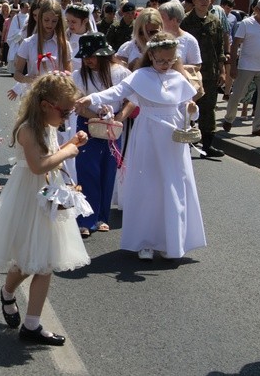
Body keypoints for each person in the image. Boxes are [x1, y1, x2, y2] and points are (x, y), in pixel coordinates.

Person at [0, 73, 90, 345]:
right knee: (29, 258)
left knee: (44, 261)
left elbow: (51, 155)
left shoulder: (49, 124)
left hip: (47, 193)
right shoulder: (27, 129)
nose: (68, 116)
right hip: (28, 195)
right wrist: (68, 153)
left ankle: (32, 324)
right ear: (46, 105)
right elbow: (38, 165)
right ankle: (8, 291)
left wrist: (71, 144)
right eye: (65, 110)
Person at [75, 33, 206, 260]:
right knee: (147, 187)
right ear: (151, 56)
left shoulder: (178, 78)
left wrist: (192, 110)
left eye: (169, 60)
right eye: (160, 60)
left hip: (173, 139)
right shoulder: (141, 76)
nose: (165, 65)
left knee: (172, 186)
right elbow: (117, 92)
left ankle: (170, 241)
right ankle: (145, 241)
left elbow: (186, 108)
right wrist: (91, 99)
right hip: (147, 134)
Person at [73, 33, 131, 237]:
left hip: (113, 126)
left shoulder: (122, 73)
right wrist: (96, 115)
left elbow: (130, 100)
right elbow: (78, 104)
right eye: (85, 56)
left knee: (108, 170)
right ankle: (86, 218)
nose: (89, 60)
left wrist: (118, 118)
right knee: (87, 169)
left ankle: (101, 217)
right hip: (88, 124)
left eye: (94, 56)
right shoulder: (79, 75)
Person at [222, 0, 260, 137]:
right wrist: (234, 66)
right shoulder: (246, 23)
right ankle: (229, 118)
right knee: (238, 94)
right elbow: (235, 44)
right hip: (247, 65)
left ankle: (257, 127)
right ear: (256, 10)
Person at [180, 0, 226, 156]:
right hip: (190, 73)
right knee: (187, 108)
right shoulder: (185, 21)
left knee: (209, 109)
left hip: (210, 72)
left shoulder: (215, 21)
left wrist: (222, 71)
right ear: (194, 1)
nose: (204, 2)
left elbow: (219, 48)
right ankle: (185, 140)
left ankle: (207, 145)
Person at [9, 0, 71, 100]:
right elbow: (17, 73)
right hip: (34, 95)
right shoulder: (28, 43)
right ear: (40, 18)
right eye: (46, 20)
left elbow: (69, 73)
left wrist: (60, 79)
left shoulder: (64, 45)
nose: (50, 24)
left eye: (54, 21)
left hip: (56, 96)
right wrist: (27, 79)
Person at [6, 2, 30, 75]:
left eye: (28, 7)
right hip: (18, 40)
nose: (28, 9)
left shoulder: (29, 17)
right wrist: (22, 31)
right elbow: (13, 29)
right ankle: (14, 71)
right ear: (22, 8)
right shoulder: (16, 17)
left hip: (27, 39)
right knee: (16, 54)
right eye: (26, 7)